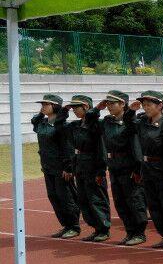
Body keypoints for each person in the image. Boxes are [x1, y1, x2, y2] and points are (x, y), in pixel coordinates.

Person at [128, 90, 163, 249]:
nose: (145, 107)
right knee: (154, 205)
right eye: (144, 105)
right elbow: (129, 125)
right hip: (148, 169)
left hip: (162, 169)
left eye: (149, 104)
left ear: (160, 106)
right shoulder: (143, 123)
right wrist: (131, 111)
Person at [96, 90, 148, 246]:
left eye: (112, 103)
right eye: (108, 103)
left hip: (129, 168)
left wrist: (138, 169)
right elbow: (90, 122)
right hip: (114, 167)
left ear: (122, 104)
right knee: (120, 202)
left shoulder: (130, 123)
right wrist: (97, 109)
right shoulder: (107, 122)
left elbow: (136, 147)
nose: (109, 106)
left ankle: (139, 233)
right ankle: (130, 231)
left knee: (134, 201)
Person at [31, 94, 80, 238]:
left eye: (46, 104)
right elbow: (34, 122)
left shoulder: (62, 125)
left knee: (65, 196)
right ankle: (66, 225)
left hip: (61, 167)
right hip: (47, 166)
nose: (43, 107)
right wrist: (41, 113)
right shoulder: (42, 123)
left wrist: (68, 167)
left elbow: (68, 147)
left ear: (55, 106)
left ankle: (74, 226)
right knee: (53, 196)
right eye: (42, 104)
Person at [64, 95, 111, 242]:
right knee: (84, 200)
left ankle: (103, 229)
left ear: (85, 107)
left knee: (96, 199)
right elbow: (59, 124)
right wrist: (63, 111)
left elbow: (101, 150)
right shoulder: (76, 125)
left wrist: (100, 171)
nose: (74, 110)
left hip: (93, 167)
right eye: (72, 108)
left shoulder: (96, 125)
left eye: (76, 107)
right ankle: (96, 228)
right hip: (80, 166)